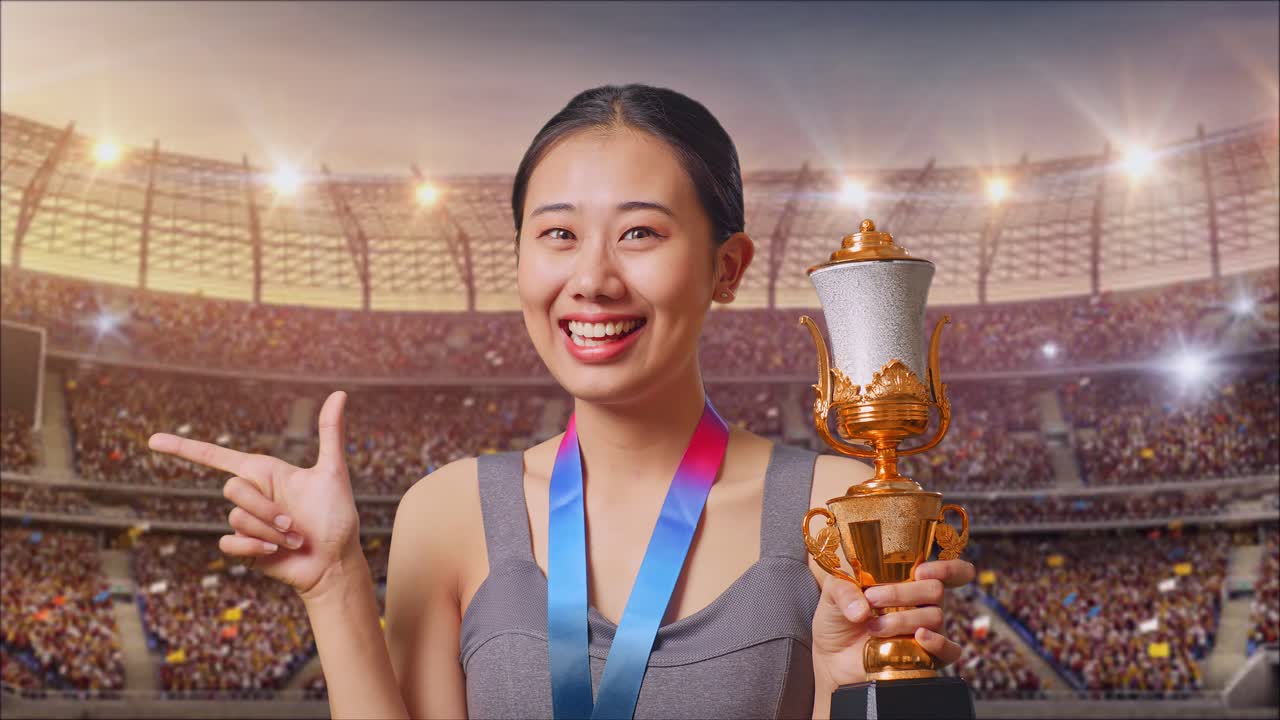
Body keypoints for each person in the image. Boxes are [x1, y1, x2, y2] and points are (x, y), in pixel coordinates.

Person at [148, 83, 974, 719]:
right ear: (518, 260)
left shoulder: (843, 511)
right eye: (557, 234)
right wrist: (332, 583)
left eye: (641, 232)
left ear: (727, 268)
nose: (592, 279)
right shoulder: (450, 513)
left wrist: (844, 680)